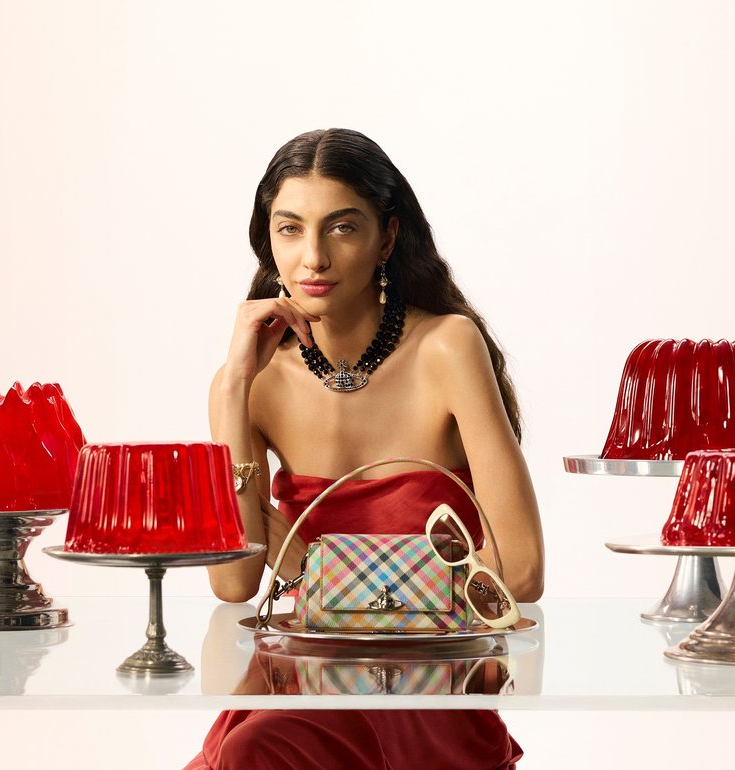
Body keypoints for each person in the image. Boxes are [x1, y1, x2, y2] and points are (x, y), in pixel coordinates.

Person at [184, 128, 544, 770]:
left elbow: (520, 573)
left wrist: (316, 566)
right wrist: (235, 385)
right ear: (266, 239)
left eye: (342, 228)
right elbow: (235, 582)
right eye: (290, 229)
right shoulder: (247, 384)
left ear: (387, 237)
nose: (313, 258)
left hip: (427, 682)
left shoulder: (447, 347)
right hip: (300, 682)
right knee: (255, 748)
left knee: (257, 751)